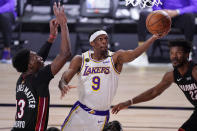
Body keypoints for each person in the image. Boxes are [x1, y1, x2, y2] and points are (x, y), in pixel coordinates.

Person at [58, 28, 166, 130]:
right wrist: (63, 84)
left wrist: (153, 38)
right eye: (100, 39)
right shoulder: (80, 59)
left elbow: (133, 54)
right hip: (80, 111)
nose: (104, 41)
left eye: (106, 39)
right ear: (92, 43)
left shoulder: (115, 58)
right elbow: (66, 76)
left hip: (100, 115)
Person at [112, 39, 197, 131]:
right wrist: (129, 102)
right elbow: (154, 92)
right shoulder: (172, 75)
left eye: (178, 53)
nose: (174, 56)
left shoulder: (195, 71)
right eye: (172, 53)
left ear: (187, 54)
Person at [11, 3, 71, 131]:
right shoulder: (39, 78)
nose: (40, 57)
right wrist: (64, 25)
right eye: (35, 57)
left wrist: (52, 37)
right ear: (30, 65)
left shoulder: (22, 79)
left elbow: (40, 56)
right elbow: (65, 54)